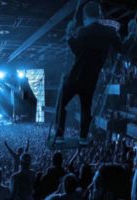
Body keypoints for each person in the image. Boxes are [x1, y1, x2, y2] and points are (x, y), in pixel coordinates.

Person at [55, 1, 123, 145]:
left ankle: (59, 135)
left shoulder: (83, 31)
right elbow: (121, 48)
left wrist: (69, 36)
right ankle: (83, 138)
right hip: (91, 80)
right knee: (86, 108)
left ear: (85, 17)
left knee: (61, 103)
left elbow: (78, 51)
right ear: (99, 15)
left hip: (75, 77)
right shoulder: (110, 32)